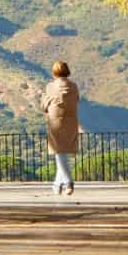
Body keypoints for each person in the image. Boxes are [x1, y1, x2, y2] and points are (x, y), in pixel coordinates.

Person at [43, 59, 80, 195]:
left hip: (55, 122)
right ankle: (57, 184)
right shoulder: (74, 86)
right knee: (62, 153)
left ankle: (69, 182)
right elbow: (76, 100)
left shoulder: (50, 87)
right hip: (71, 121)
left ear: (54, 72)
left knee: (59, 153)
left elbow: (44, 104)